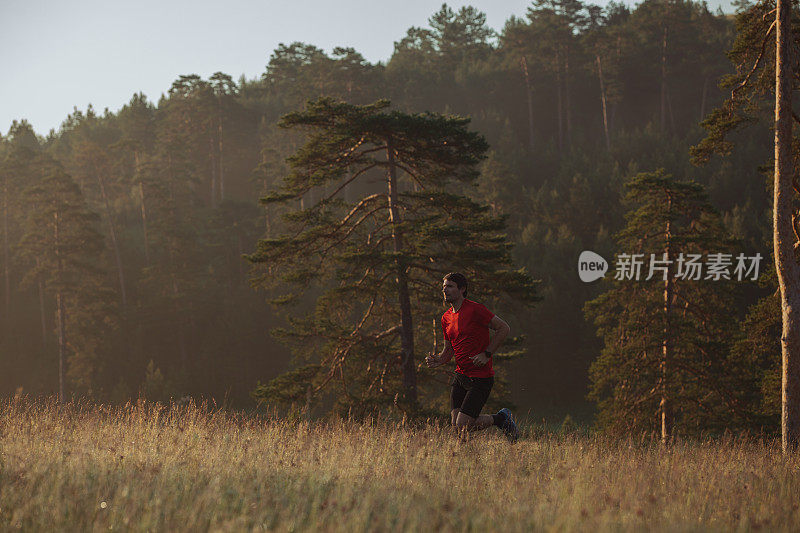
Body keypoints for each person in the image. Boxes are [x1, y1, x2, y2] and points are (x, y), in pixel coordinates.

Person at [425, 272, 520, 442]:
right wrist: (438, 360)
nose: (444, 290)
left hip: (480, 378)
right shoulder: (446, 318)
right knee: (456, 425)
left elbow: (504, 328)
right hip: (461, 376)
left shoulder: (475, 310)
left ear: (462, 289)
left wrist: (487, 353)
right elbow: (448, 350)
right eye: (444, 287)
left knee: (463, 425)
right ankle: (463, 461)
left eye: (449, 286)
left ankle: (501, 419)